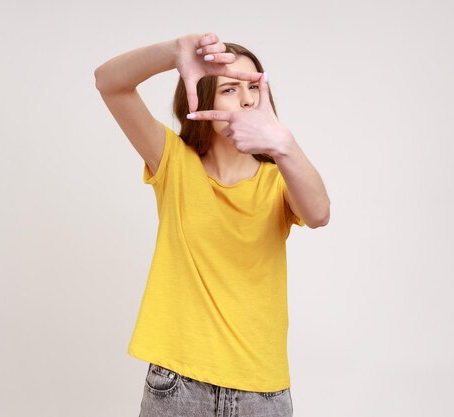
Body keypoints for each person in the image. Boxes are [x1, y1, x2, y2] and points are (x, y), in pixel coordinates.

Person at [94, 32, 330, 417]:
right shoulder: (173, 162)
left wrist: (283, 144)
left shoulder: (280, 179)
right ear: (200, 97)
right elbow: (109, 82)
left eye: (253, 86)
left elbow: (319, 214)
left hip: (262, 392)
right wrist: (174, 53)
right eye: (229, 88)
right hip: (178, 384)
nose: (247, 98)